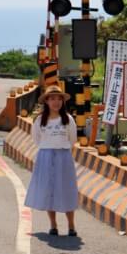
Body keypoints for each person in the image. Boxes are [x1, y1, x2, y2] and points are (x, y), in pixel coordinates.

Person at [23, 85, 80, 237]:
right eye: (52, 99)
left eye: (59, 99)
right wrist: (48, 148)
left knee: (67, 189)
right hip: (45, 156)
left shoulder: (68, 119)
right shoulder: (40, 120)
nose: (56, 102)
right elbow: (36, 139)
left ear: (63, 101)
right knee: (49, 191)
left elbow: (72, 139)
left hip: (64, 156)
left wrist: (60, 148)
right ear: (47, 101)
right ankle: (53, 225)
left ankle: (71, 226)